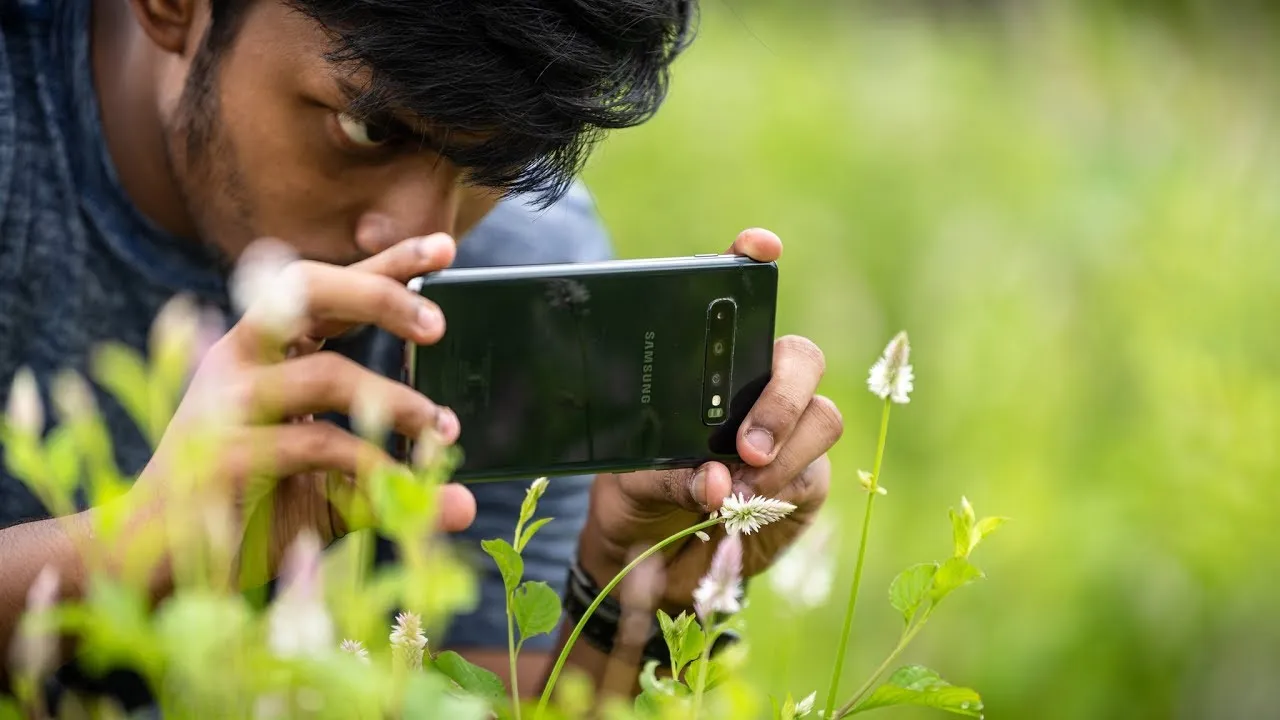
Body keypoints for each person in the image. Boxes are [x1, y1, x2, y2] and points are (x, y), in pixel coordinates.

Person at [0, 0, 845, 709]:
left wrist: (629, 596)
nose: (428, 238)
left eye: (496, 159)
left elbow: (482, 700)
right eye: (366, 126)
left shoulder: (523, 258)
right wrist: (129, 549)